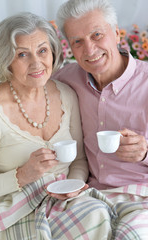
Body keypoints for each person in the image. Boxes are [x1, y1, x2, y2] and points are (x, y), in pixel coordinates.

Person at [0, 12, 90, 239]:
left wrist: (73, 186)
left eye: (43, 50)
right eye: (22, 54)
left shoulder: (67, 95)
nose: (36, 63)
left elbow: (80, 160)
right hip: (12, 210)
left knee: (97, 214)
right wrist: (22, 175)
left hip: (63, 202)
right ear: (6, 61)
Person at [53, 0, 148, 239]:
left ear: (116, 34)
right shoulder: (64, 81)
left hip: (142, 195)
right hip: (89, 196)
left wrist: (145, 152)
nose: (89, 49)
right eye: (78, 41)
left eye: (97, 35)